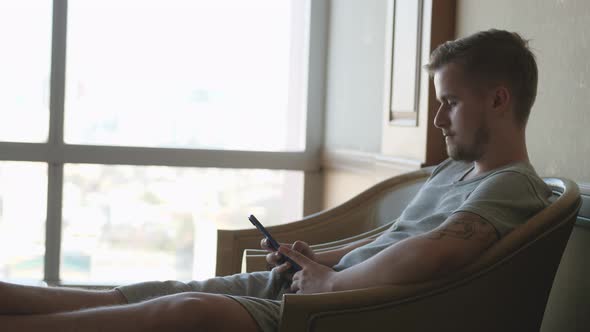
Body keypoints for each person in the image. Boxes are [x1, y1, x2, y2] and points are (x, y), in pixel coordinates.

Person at [0, 29, 551, 332]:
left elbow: (434, 254)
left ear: (499, 100)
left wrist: (332, 286)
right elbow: (397, 239)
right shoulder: (455, 171)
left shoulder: (512, 185)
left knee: (184, 313)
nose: (438, 120)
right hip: (318, 290)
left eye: (450, 103)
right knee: (152, 292)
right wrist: (321, 258)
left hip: (342, 312)